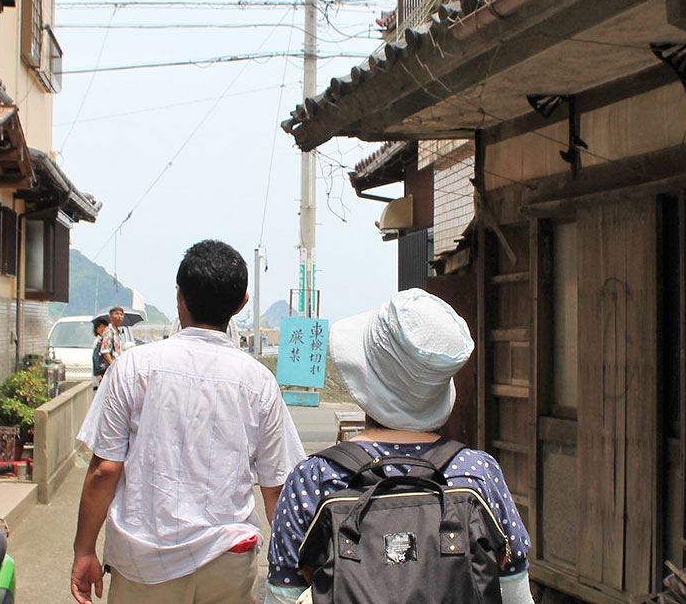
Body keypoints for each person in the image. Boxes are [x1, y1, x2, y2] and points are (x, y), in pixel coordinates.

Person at [71, 240, 305, 604]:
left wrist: (84, 550)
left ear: (179, 295)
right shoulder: (258, 382)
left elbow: (104, 470)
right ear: (242, 303)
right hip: (228, 560)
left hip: (143, 562)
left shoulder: (133, 368)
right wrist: (297, 566)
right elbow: (276, 489)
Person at [265, 288, 534, 604]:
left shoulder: (314, 478)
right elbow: (515, 592)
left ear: (365, 377)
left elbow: (283, 595)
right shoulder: (478, 473)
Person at [90, 314, 111, 384]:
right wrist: (98, 374)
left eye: (105, 326)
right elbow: (96, 358)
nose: (103, 329)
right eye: (101, 327)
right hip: (101, 370)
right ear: (96, 329)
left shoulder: (106, 339)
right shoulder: (98, 341)